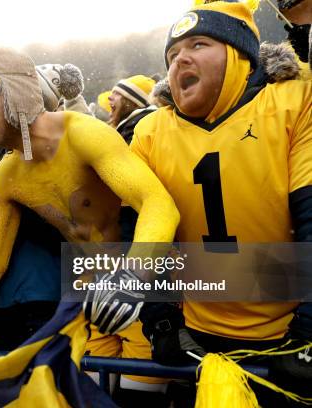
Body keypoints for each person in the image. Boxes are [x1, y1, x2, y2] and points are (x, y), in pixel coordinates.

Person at [0, 47, 179, 341]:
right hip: (90, 295)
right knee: (85, 384)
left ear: (16, 87)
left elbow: (158, 203)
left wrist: (134, 276)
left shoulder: (82, 134)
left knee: (140, 384)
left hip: (149, 286)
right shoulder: (7, 176)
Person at [130, 0, 311, 404]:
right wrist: (161, 321)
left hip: (286, 330)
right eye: (173, 54)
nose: (181, 60)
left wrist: (310, 331)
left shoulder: (293, 102)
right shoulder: (151, 131)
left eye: (198, 44)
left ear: (239, 53)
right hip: (197, 335)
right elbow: (141, 235)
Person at [108, 75, 156, 143]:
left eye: (118, 93)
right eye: (113, 93)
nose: (109, 97)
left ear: (134, 103)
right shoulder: (130, 126)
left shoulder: (136, 128)